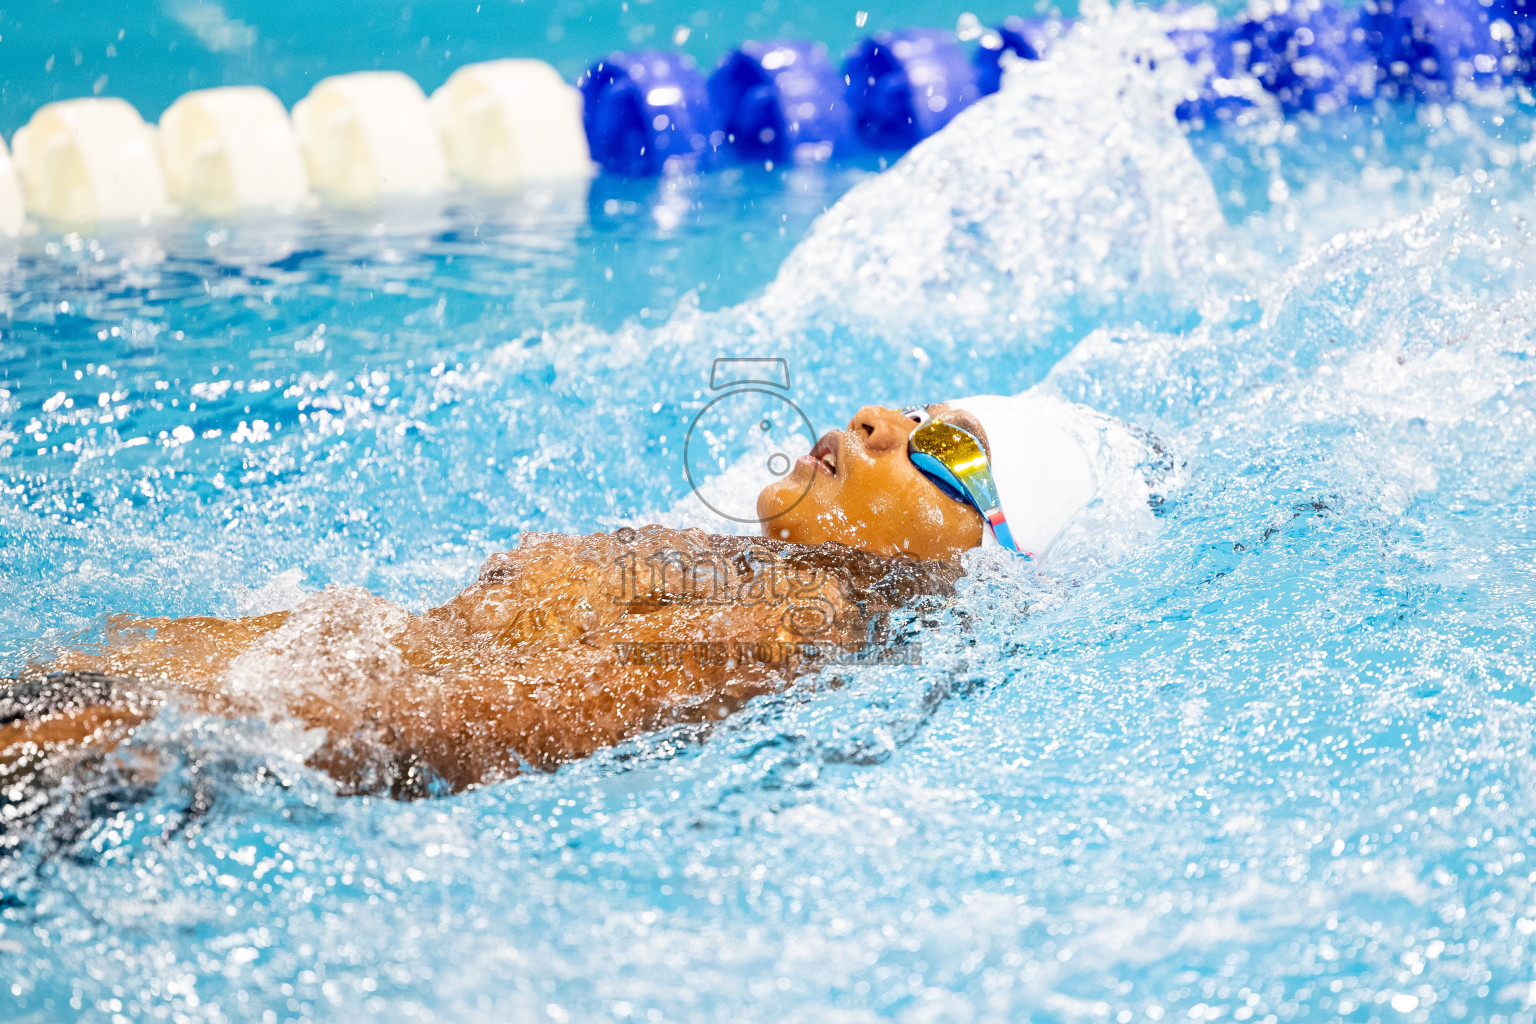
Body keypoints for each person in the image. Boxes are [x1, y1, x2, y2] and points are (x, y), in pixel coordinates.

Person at [0, 392, 1121, 801]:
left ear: (976, 546)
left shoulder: (797, 626)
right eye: (904, 405)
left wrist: (186, 741)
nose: (880, 421)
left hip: (253, 735)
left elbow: (502, 719)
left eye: (945, 448)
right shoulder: (745, 566)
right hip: (287, 670)